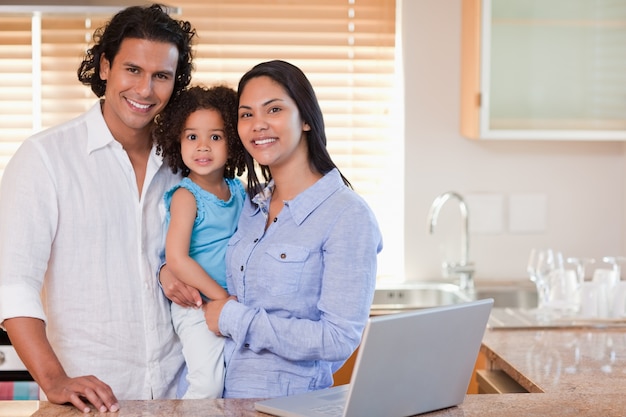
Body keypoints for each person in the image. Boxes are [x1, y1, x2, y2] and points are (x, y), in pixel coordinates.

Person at [0, 4, 196, 413]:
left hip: (184, 396)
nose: (145, 90)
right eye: (133, 70)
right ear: (105, 66)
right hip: (88, 404)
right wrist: (55, 380)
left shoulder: (189, 163)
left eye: (161, 76)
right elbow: (12, 284)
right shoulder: (45, 158)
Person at [161, 59, 383, 398]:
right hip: (224, 401)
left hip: (285, 406)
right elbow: (198, 250)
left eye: (274, 109)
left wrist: (234, 317)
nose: (258, 125)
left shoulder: (346, 215)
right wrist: (168, 271)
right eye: (247, 114)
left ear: (306, 119)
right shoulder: (250, 206)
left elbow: (338, 339)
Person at [153, 85, 246, 399]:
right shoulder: (185, 196)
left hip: (230, 305)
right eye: (192, 137)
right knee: (206, 385)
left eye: (215, 137)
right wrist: (220, 298)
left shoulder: (239, 191)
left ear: (232, 143)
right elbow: (177, 259)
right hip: (196, 305)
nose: (202, 147)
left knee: (232, 382)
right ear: (177, 140)